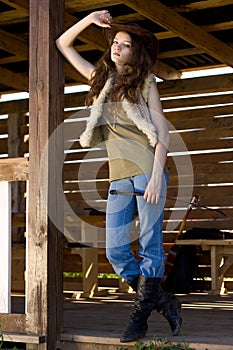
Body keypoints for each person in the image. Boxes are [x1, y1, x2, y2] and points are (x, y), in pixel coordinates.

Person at [56, 10, 182, 343]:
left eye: (125, 45)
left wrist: (157, 177)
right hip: (118, 178)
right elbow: (62, 44)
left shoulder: (145, 81)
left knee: (151, 247)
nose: (117, 47)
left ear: (135, 53)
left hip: (147, 173)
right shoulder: (100, 79)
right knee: (115, 251)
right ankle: (160, 299)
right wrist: (89, 19)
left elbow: (162, 133)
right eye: (115, 42)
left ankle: (138, 319)